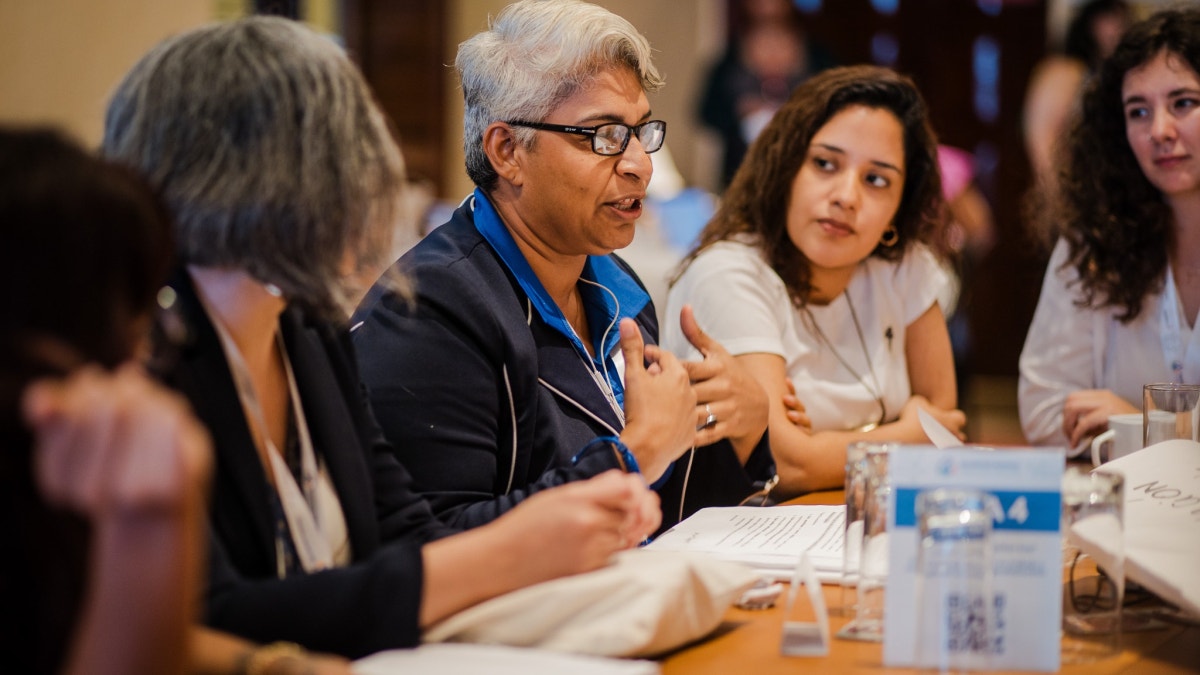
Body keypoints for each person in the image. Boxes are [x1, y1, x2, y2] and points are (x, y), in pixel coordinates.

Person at [101, 16, 661, 659]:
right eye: (332, 166)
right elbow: (206, 619)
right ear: (241, 186)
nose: (364, 197)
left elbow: (405, 535)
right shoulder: (146, 365)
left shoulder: (307, 330)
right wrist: (527, 540)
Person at [353, 0, 779, 533]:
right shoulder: (427, 312)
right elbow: (436, 547)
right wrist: (631, 457)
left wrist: (741, 432)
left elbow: (663, 511)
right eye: (604, 136)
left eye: (640, 132)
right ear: (507, 151)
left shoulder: (618, 287)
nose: (640, 165)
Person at [665, 65, 966, 496]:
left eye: (877, 180)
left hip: (856, 516)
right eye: (825, 164)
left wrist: (825, 446)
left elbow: (943, 422)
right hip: (749, 527)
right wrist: (904, 437)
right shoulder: (729, 273)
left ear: (898, 209)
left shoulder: (905, 267)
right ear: (785, 169)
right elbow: (786, 464)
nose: (846, 197)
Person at [1019, 8, 1200, 451]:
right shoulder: (1093, 239)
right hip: (1124, 495)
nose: (1159, 130)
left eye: (1183, 103)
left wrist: (1143, 426)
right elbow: (1043, 409)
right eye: (1138, 111)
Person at [1023, 0, 1131, 244]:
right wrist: (1059, 196)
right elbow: (1042, 140)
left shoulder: (1109, 75)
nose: (1121, 27)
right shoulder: (1064, 70)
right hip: (1074, 195)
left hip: (1108, 196)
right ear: (1091, 24)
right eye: (1111, 19)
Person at [698, 0, 836, 189]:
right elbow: (707, 113)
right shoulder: (729, 60)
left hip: (804, 172)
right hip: (743, 174)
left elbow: (837, 106)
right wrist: (741, 111)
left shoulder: (818, 57)